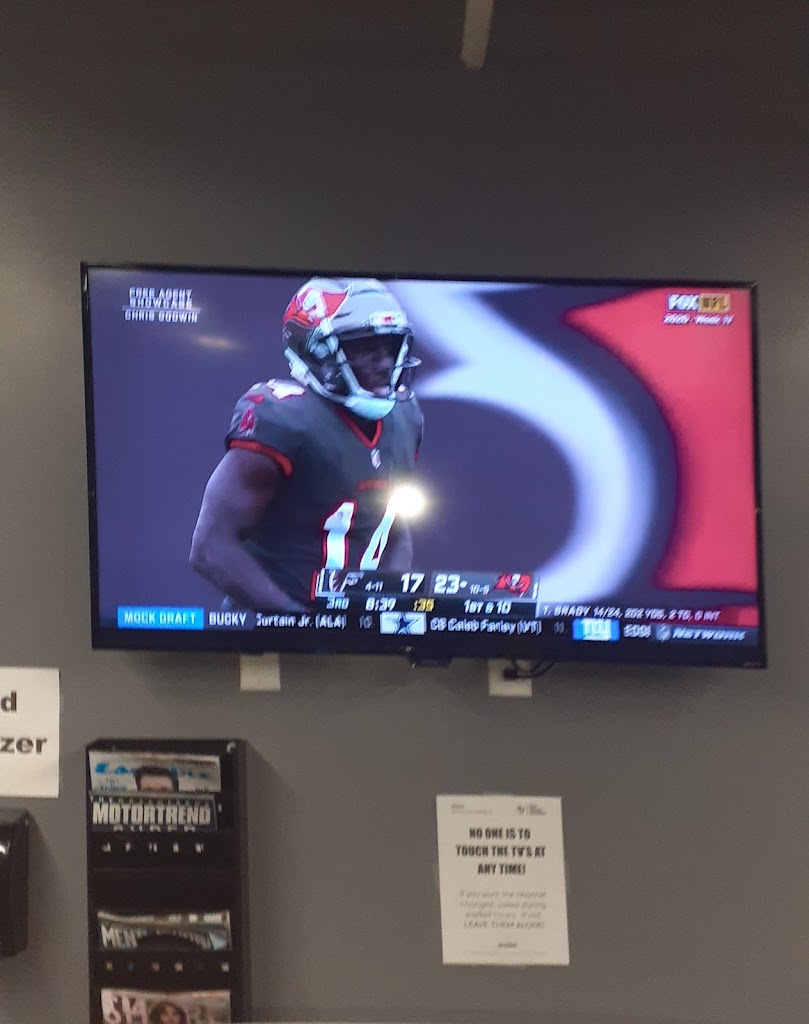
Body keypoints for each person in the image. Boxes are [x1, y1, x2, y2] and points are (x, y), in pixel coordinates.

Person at [190, 277, 423, 611]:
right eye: (364, 347)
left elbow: (394, 532)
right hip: (270, 628)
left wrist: (384, 608)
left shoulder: (404, 417)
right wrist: (299, 622)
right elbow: (211, 547)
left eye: (389, 346)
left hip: (356, 627)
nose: (385, 362)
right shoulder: (285, 418)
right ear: (315, 352)